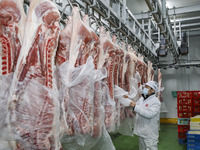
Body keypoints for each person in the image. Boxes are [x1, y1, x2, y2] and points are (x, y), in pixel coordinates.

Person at [125, 81, 161, 150]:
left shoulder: (156, 102)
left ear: (152, 90)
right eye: (145, 87)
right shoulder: (142, 99)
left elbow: (149, 114)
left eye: (147, 87)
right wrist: (127, 101)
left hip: (150, 133)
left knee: (151, 148)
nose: (144, 89)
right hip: (141, 131)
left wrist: (135, 107)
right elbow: (136, 108)